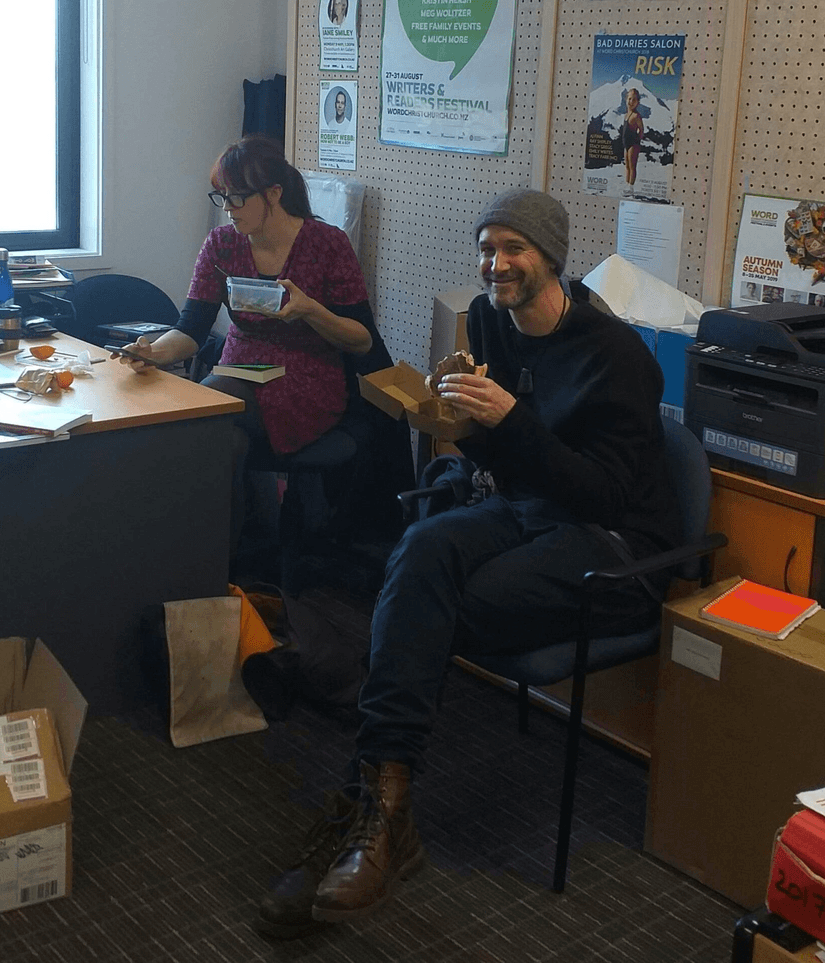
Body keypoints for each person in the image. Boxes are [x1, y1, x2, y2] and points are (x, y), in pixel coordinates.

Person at [256, 189, 680, 936]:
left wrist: (508, 420)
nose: (496, 263)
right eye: (487, 247)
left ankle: (368, 810)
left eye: (514, 248)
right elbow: (506, 460)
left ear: (551, 257)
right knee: (417, 549)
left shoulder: (616, 356)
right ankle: (383, 810)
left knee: (427, 601)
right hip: (524, 509)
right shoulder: (488, 321)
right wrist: (451, 420)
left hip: (612, 544)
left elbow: (606, 493)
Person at [116, 135, 375, 551]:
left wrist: (311, 310)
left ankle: (194, 565)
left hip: (306, 382)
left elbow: (362, 341)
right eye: (223, 198)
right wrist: (152, 352)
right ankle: (223, 568)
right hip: (238, 373)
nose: (229, 210)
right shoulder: (222, 244)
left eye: (237, 199)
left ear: (274, 193)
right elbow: (191, 328)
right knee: (223, 442)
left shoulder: (326, 244)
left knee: (207, 417)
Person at [622, 88, 644, 195]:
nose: (631, 102)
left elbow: (641, 129)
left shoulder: (636, 116)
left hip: (633, 144)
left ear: (638, 102)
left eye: (634, 100)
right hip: (626, 143)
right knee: (627, 165)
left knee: (632, 165)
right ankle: (627, 185)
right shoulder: (626, 115)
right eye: (629, 99)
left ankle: (631, 187)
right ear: (626, 100)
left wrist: (638, 139)